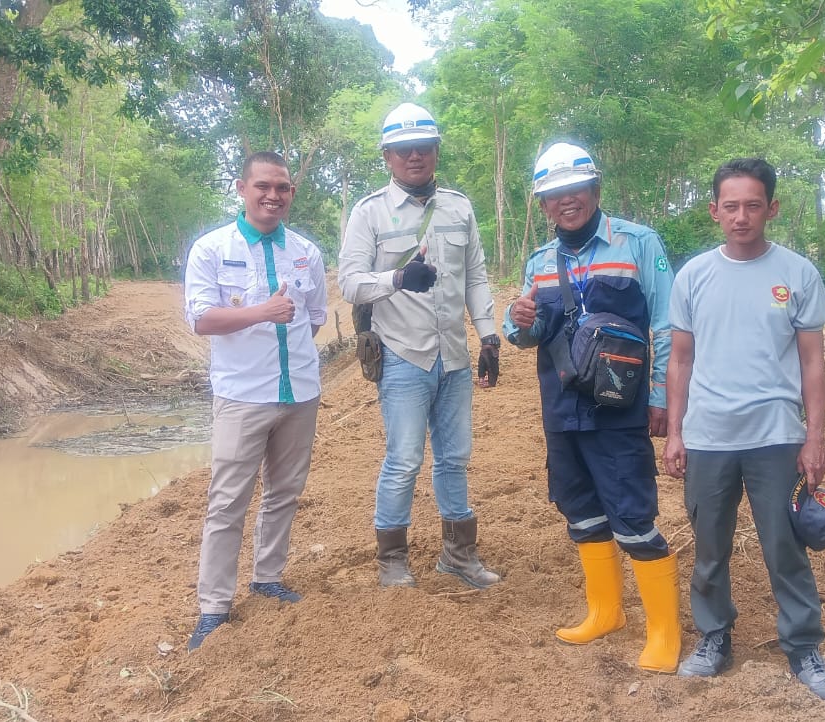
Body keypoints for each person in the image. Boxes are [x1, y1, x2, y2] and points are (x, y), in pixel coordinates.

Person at [663, 158, 825, 703]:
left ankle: (804, 648)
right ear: (714, 210)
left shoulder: (797, 274)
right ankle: (714, 638)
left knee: (785, 546)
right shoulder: (693, 276)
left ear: (772, 208)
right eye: (730, 206)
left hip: (776, 435)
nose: (741, 216)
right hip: (708, 436)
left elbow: (812, 363)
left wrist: (814, 437)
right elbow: (680, 361)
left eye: (752, 205)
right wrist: (675, 432)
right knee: (709, 548)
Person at [502, 142, 681, 672]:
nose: (566, 201)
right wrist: (518, 319)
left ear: (595, 189)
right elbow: (525, 333)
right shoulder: (540, 261)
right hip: (561, 409)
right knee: (580, 510)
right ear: (543, 205)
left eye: (575, 189)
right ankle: (606, 612)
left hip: (620, 410)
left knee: (633, 514)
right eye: (554, 194)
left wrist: (660, 397)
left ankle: (664, 633)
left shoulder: (637, 243)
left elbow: (668, 326)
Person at [338, 102, 501, 589]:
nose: (415, 156)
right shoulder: (369, 212)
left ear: (435, 151)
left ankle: (459, 554)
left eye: (424, 147)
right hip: (402, 355)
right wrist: (397, 279)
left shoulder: (459, 207)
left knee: (454, 458)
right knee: (404, 459)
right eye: (404, 149)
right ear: (387, 156)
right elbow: (349, 282)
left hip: (454, 356)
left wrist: (488, 334)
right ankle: (392, 560)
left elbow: (475, 276)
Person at [182, 151, 328, 651]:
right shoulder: (210, 249)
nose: (273, 195)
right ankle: (214, 607)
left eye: (282, 188)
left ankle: (268, 577)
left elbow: (314, 318)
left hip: (299, 392)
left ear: (291, 193)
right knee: (227, 503)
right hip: (241, 396)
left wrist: (283, 339)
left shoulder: (306, 252)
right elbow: (202, 319)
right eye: (263, 186)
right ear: (242, 188)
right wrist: (262, 312)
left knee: (284, 492)